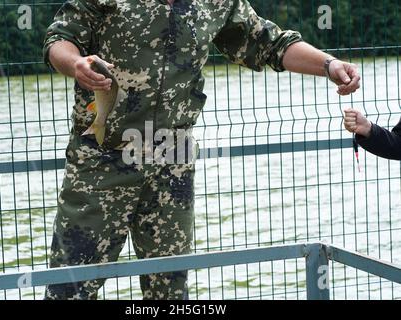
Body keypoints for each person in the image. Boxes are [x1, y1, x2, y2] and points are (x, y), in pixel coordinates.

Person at [43, 0, 361, 300]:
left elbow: (271, 43)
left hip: (172, 164)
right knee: (70, 287)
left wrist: (328, 65)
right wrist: (75, 64)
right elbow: (60, 39)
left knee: (170, 290)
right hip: (101, 160)